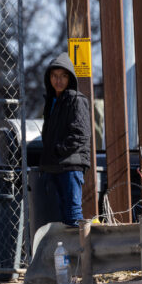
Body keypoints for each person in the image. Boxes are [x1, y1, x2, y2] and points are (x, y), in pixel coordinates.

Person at [40, 52, 90, 227]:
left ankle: (81, 246)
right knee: (60, 219)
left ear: (70, 78)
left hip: (70, 166)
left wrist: (58, 150)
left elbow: (81, 134)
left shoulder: (76, 100)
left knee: (73, 216)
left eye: (63, 76)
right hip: (55, 166)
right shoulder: (51, 101)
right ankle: (67, 247)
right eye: (54, 76)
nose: (58, 80)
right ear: (49, 78)